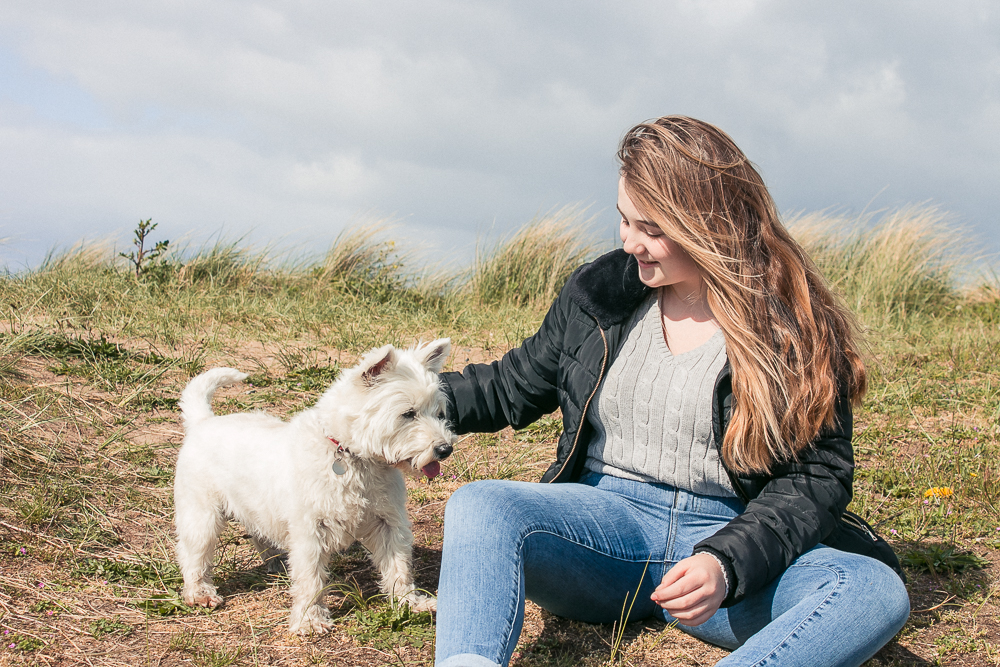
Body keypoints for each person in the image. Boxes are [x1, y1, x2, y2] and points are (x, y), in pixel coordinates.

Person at [433, 116, 910, 667]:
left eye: (652, 229)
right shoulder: (601, 292)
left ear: (709, 225)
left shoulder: (791, 323)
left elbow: (816, 478)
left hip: (728, 542)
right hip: (601, 529)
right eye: (623, 220)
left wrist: (726, 563)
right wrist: (402, 404)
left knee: (871, 589)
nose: (630, 241)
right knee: (480, 506)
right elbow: (513, 384)